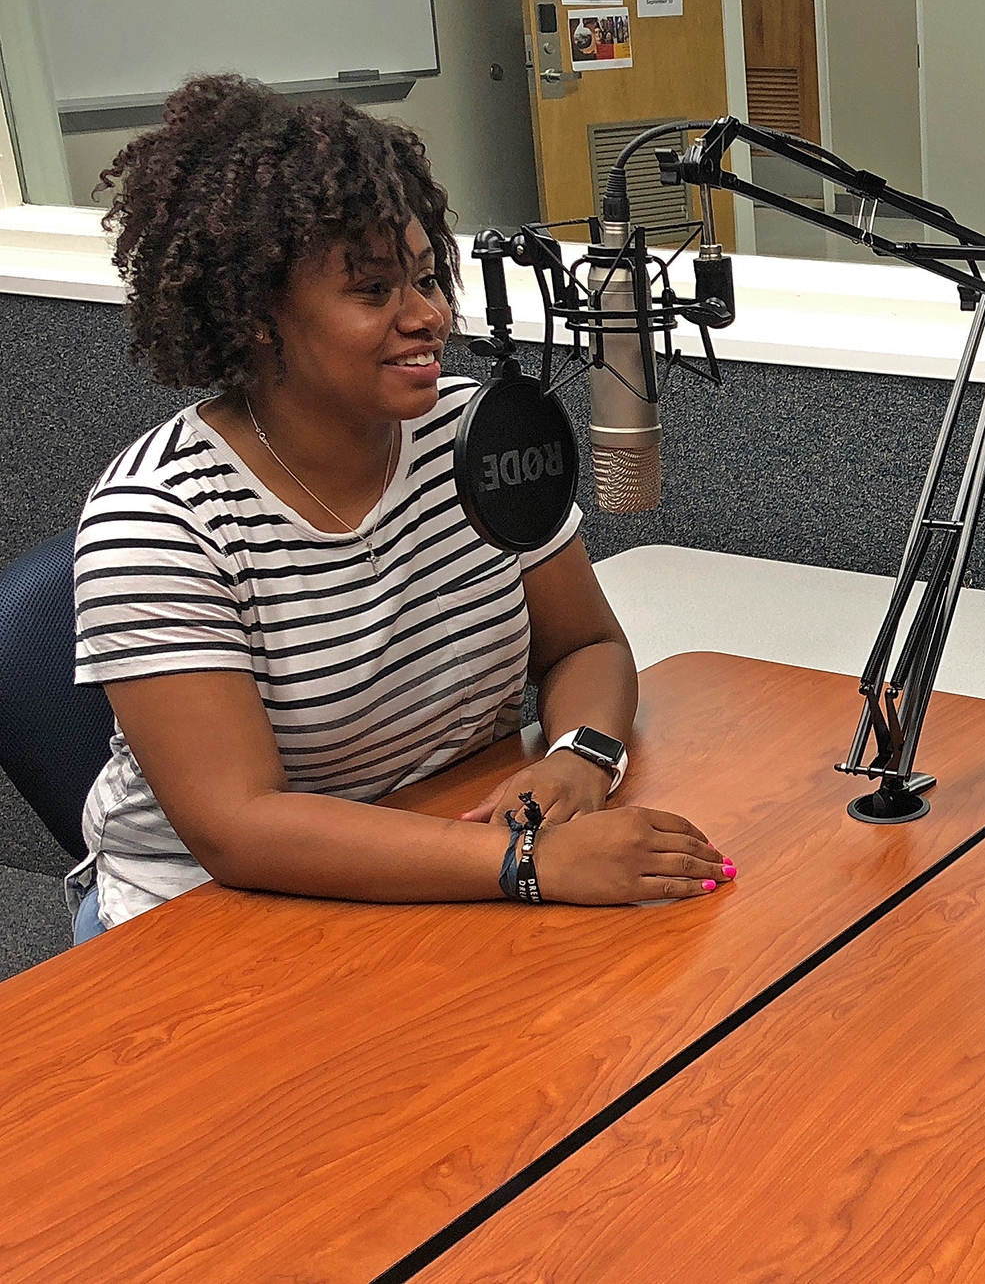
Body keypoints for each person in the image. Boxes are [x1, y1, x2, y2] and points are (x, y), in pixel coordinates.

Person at [67, 74, 732, 943]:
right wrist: (529, 866)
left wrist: (578, 756)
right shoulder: (160, 520)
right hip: (211, 919)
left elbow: (587, 644)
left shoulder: (477, 435)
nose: (430, 316)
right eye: (374, 291)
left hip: (444, 855)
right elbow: (237, 825)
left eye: (425, 276)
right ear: (261, 316)